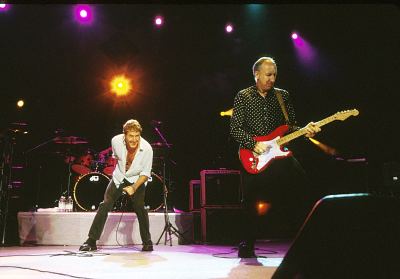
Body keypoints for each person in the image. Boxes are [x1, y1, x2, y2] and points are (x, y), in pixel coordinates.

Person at [230, 57, 321, 258]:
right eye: (268, 75)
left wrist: (305, 130)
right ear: (256, 74)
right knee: (251, 200)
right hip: (253, 155)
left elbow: (290, 125)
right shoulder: (243, 96)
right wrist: (254, 144)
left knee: (303, 187)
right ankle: (247, 242)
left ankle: (309, 238)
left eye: (274, 75)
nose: (272, 79)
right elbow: (234, 129)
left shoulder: (282, 96)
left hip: (279, 154)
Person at [79, 119, 154, 252]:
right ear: (124, 135)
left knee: (140, 207)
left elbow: (146, 173)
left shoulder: (147, 148)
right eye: (131, 136)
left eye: (137, 136)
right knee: (105, 204)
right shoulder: (116, 141)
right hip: (119, 177)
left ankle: (147, 242)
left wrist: (133, 187)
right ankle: (91, 241)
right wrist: (116, 178)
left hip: (137, 179)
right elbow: (117, 159)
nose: (134, 139)